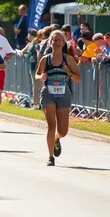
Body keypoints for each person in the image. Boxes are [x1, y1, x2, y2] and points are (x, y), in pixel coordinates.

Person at [34, 30, 81, 166]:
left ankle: (56, 139)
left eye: (60, 40)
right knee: (51, 125)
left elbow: (78, 79)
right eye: (55, 40)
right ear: (51, 42)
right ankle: (50, 157)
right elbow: (37, 75)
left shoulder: (69, 59)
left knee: (63, 131)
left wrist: (69, 73)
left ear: (64, 43)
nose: (57, 42)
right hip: (48, 93)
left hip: (63, 94)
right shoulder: (45, 59)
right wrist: (41, 77)